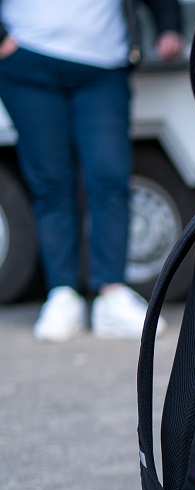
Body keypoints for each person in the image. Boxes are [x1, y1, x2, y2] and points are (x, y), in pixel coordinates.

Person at [0, 0, 184, 342]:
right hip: (27, 63)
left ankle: (111, 294)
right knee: (50, 182)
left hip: (103, 64)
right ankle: (62, 294)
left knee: (110, 176)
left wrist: (168, 25)